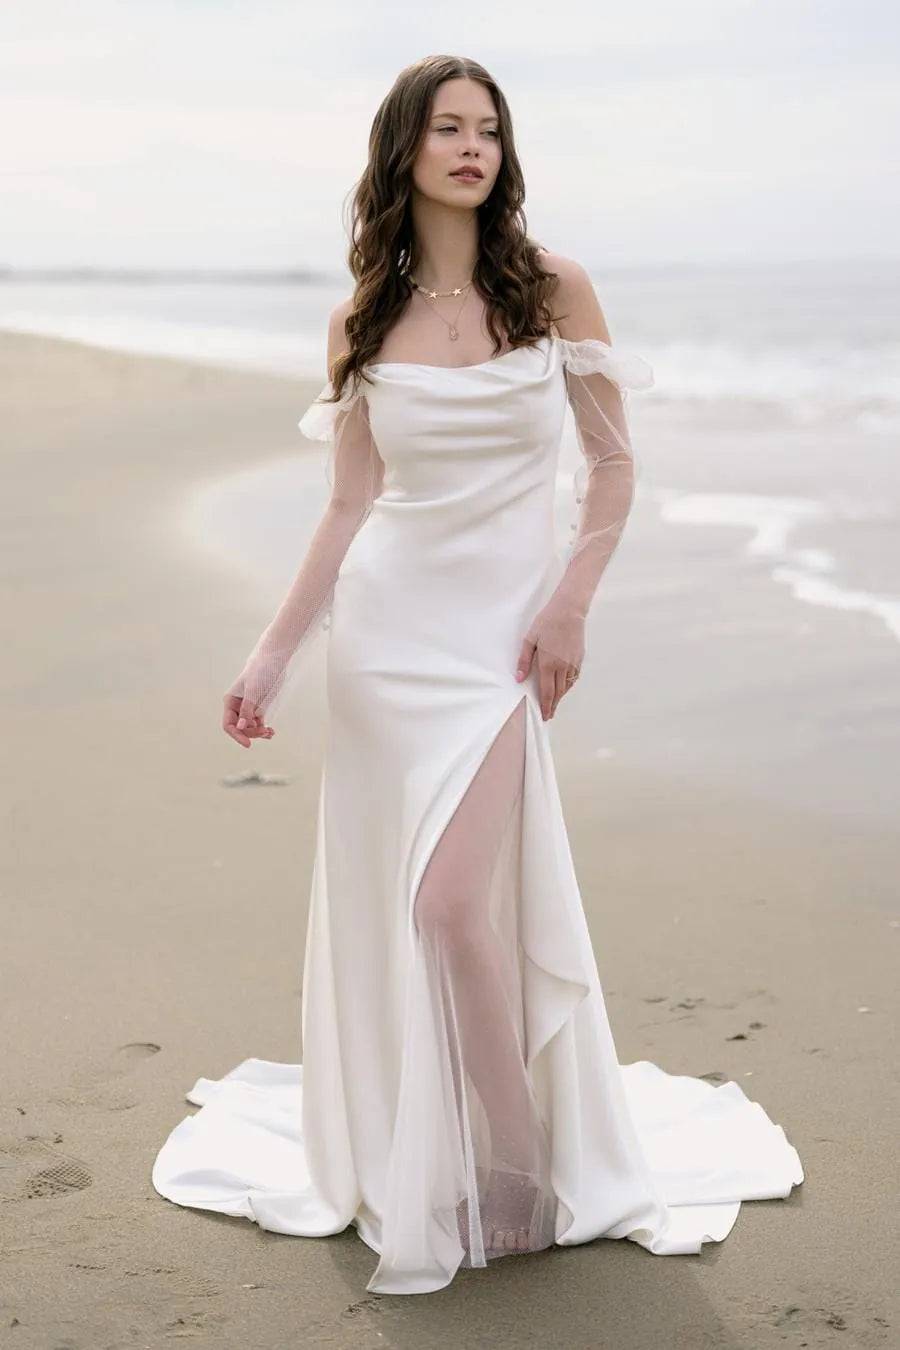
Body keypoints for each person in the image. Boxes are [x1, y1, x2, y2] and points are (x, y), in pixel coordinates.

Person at [152, 54, 803, 1296]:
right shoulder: (360, 319)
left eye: (489, 131)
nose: (471, 148)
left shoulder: (555, 289)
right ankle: (452, 1143)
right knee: (424, 910)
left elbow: (612, 474)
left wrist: (570, 603)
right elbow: (350, 504)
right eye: (447, 128)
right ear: (403, 150)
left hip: (500, 646)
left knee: (454, 906)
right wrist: (273, 654)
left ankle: (515, 1172)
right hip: (388, 643)